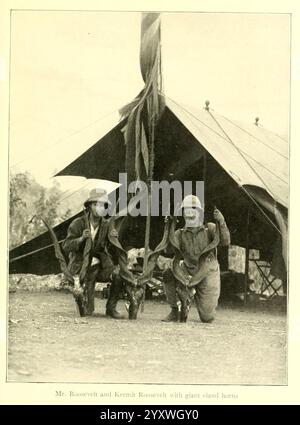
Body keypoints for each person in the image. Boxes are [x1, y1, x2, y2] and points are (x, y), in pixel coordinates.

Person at [162, 195, 230, 323]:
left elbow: (225, 242)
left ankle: (193, 295)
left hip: (208, 272)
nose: (189, 212)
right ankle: (174, 309)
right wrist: (168, 228)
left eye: (193, 209)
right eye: (186, 210)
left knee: (207, 317)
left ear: (199, 212)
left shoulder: (210, 229)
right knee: (168, 273)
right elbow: (167, 250)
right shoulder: (180, 233)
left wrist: (221, 222)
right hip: (188, 270)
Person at [62, 188, 124, 318]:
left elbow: (111, 251)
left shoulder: (107, 225)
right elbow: (66, 246)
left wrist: (114, 239)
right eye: (97, 205)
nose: (100, 208)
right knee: (87, 312)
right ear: (90, 206)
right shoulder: (78, 224)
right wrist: (80, 239)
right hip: (81, 268)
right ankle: (85, 301)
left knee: (118, 275)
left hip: (100, 266)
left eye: (103, 205)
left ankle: (111, 308)